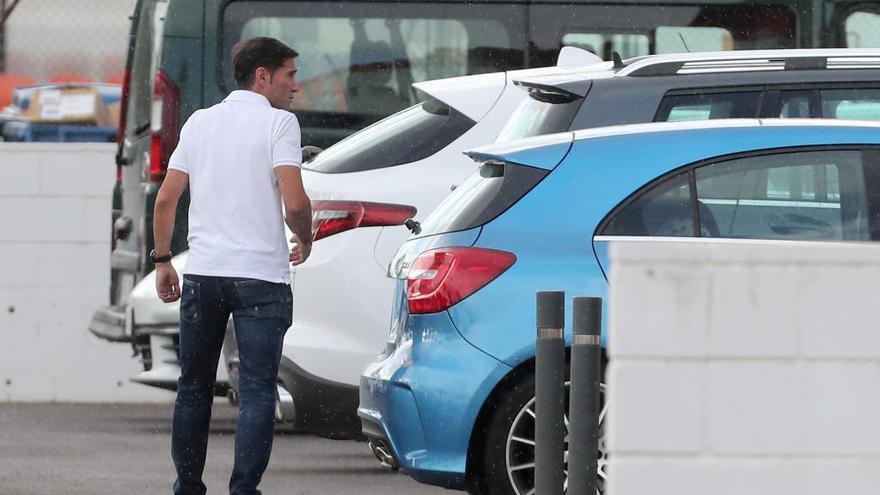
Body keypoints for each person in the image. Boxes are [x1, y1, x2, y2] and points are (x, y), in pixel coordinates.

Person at [151, 36, 313, 495]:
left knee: (194, 387)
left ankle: (187, 486)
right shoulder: (280, 124)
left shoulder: (200, 122)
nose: (295, 86)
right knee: (258, 390)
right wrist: (305, 237)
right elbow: (296, 203)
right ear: (262, 76)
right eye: (290, 74)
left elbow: (166, 197)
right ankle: (243, 490)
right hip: (261, 278)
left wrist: (164, 261)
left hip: (203, 274)